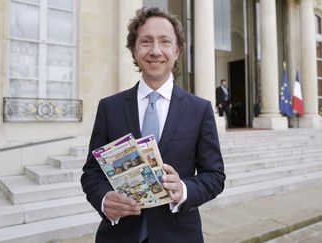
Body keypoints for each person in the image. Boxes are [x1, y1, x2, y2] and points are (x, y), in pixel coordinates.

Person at [81, 7, 225, 243]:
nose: (155, 51)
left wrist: (184, 190)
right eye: (146, 41)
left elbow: (215, 176)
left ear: (177, 51)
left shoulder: (200, 110)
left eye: (165, 42)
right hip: (118, 235)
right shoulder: (110, 107)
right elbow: (91, 173)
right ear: (134, 50)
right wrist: (104, 200)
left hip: (179, 235)